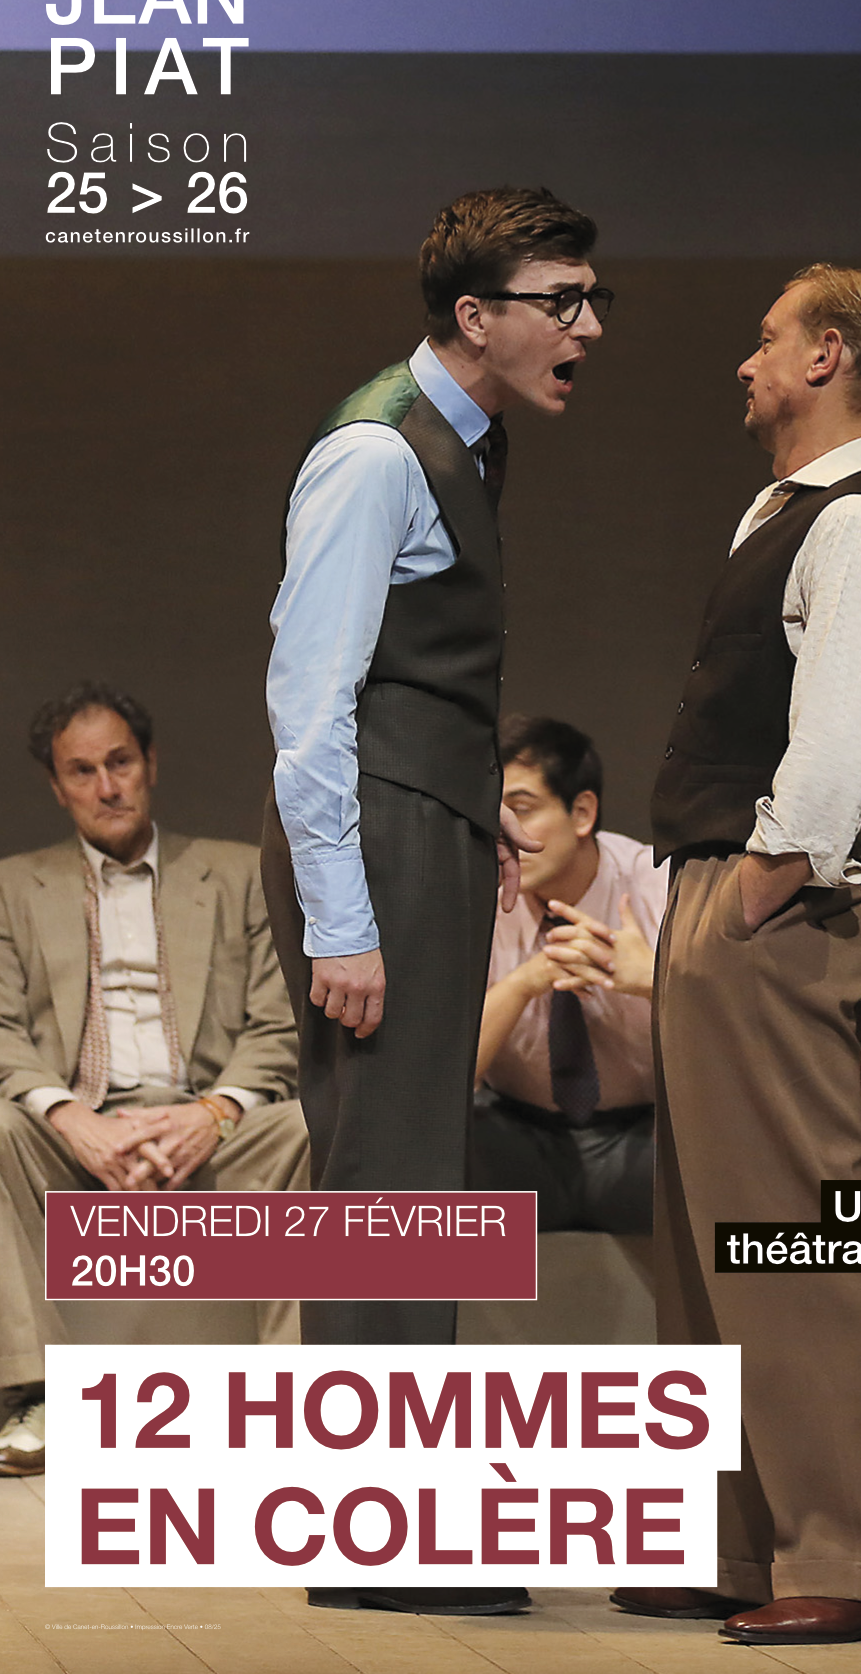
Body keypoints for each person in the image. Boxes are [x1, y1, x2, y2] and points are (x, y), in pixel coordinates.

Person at [261, 187, 608, 1619]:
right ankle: (387, 1534)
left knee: (417, 1172)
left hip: (427, 827)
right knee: (388, 1176)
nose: (589, 326)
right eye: (561, 300)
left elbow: (425, 675)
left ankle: (398, 1521)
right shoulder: (376, 451)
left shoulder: (469, 436)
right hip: (375, 839)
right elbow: (309, 704)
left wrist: (480, 824)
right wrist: (346, 917)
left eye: (591, 297)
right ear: (476, 315)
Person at [612, 264, 861, 1647]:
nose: (745, 364)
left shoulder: (860, 525)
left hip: (777, 902)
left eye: (765, 340)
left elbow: (848, 732)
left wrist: (760, 883)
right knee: (706, 1237)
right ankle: (741, 1540)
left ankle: (854, 1553)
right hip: (720, 888)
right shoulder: (783, 513)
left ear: (830, 353)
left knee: (793, 1232)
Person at [0, 682, 305, 1479]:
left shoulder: (237, 874)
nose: (107, 786)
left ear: (151, 764)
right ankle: (38, 1393)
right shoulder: (12, 887)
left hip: (209, 1125)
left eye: (121, 762)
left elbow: (277, 1025)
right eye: (82, 770)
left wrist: (214, 1112)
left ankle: (295, 1393)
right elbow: (1, 1030)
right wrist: (71, 1118)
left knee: (308, 1127)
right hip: (75, 1132)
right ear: (57, 785)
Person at [473, 714, 666, 1233]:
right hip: (516, 1135)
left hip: (646, 1137)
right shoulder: (473, 895)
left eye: (520, 809)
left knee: (764, 1172)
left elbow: (744, 1034)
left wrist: (654, 979)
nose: (502, 833)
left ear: (582, 812)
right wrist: (524, 984)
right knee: (391, 1155)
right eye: (489, 813)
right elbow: (442, 1082)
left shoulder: (659, 885)